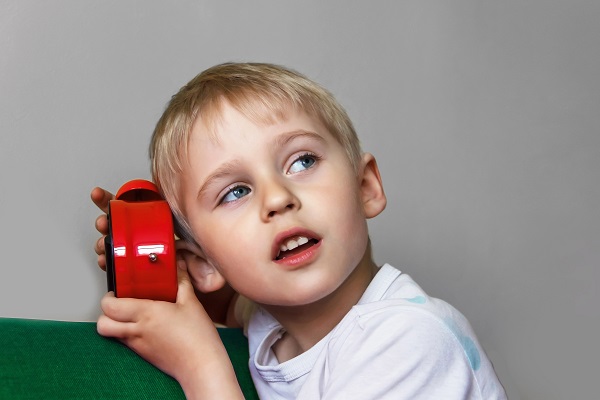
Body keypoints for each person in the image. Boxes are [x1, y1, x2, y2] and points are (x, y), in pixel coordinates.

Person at [91, 62, 507, 399]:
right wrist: (152, 261)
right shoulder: (268, 323)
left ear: (366, 187)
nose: (277, 198)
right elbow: (225, 305)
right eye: (235, 191)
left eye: (302, 161)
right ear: (203, 264)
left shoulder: (407, 338)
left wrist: (200, 366)